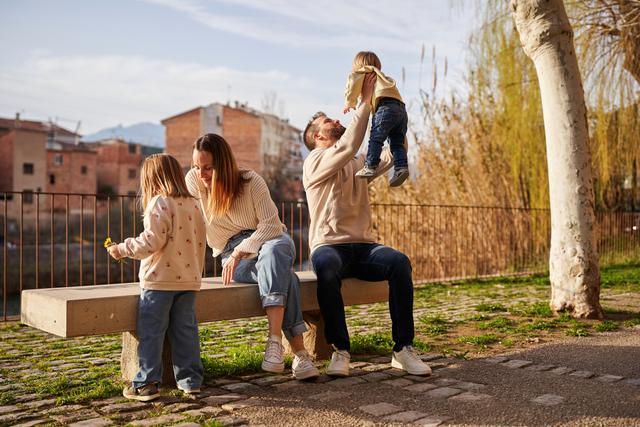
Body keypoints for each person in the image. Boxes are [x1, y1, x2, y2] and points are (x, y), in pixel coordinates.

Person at [302, 73, 431, 377]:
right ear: (318, 137)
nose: (336, 120)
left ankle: (403, 349)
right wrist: (363, 102)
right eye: (328, 122)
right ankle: (340, 351)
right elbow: (348, 145)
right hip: (328, 246)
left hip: (363, 248)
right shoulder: (315, 162)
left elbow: (391, 154)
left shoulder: (357, 164)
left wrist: (393, 114)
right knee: (326, 267)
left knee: (399, 263)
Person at [186, 133, 320, 380]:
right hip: (231, 254)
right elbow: (190, 225)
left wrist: (242, 249)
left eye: (208, 167)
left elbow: (271, 225)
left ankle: (274, 343)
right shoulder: (194, 183)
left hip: (270, 240)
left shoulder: (251, 181)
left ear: (224, 165)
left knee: (275, 251)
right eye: (196, 167)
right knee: (284, 275)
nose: (201, 174)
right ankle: (300, 355)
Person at [106, 153, 206, 401]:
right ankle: (191, 381)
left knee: (151, 331)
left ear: (151, 179)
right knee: (185, 331)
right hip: (189, 279)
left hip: (160, 280)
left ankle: (146, 383)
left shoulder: (160, 202)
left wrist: (122, 249)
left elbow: (151, 241)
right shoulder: (194, 203)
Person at [343, 50, 409, 187]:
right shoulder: (384, 77)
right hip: (401, 110)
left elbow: (352, 85)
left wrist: (350, 102)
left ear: (358, 65)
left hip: (385, 108)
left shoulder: (365, 73)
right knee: (397, 142)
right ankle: (401, 167)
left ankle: (370, 165)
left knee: (376, 138)